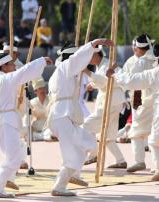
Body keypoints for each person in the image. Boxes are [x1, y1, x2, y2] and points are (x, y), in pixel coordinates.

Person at [47, 39, 113, 196]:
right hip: (62, 115)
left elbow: (98, 80)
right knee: (75, 153)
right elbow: (77, 59)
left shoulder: (69, 72)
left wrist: (104, 74)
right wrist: (95, 43)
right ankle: (60, 186)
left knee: (88, 143)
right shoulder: (65, 68)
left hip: (66, 115)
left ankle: (72, 175)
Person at [0, 52, 52, 198]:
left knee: (20, 150)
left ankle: (8, 179)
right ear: (3, 66)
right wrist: (41, 60)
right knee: (14, 156)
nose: (14, 66)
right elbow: (25, 71)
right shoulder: (7, 79)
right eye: (11, 64)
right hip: (6, 121)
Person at [111, 43, 159, 181]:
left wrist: (116, 72)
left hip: (145, 102)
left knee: (152, 139)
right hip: (150, 103)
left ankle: (147, 163)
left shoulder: (153, 71)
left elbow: (132, 81)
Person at [82, 47, 127, 168]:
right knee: (107, 135)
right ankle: (120, 160)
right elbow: (102, 81)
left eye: (91, 56)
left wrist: (87, 72)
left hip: (110, 102)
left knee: (87, 126)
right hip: (113, 101)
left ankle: (93, 154)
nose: (89, 59)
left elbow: (103, 81)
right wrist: (91, 84)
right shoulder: (101, 66)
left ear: (97, 55)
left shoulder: (108, 64)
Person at [122, 34, 156, 173]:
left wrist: (116, 75)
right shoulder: (154, 59)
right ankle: (156, 166)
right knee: (154, 134)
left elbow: (131, 81)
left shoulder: (140, 62)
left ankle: (139, 161)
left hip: (143, 100)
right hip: (151, 100)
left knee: (136, 132)